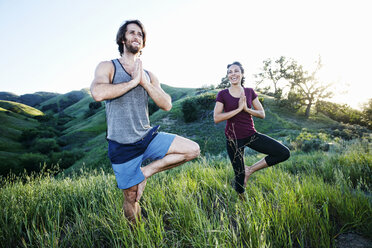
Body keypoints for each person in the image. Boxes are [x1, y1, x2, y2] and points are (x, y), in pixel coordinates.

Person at [90, 20, 200, 223]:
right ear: (122, 39)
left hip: (147, 137)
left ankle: (144, 173)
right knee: (131, 197)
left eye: (140, 34)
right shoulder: (108, 66)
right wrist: (132, 82)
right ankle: (136, 234)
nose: (136, 37)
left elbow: (166, 104)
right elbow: (97, 93)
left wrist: (144, 83)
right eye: (131, 33)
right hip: (121, 145)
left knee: (192, 149)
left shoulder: (149, 75)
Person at [213, 61, 290, 198]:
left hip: (251, 135)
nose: (233, 74)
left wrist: (247, 109)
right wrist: (238, 109)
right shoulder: (223, 94)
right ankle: (241, 204)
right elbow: (217, 118)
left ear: (242, 74)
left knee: (283, 153)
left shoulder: (249, 92)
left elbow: (262, 113)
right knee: (239, 177)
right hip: (233, 139)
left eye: (236, 71)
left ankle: (250, 170)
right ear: (228, 76)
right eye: (230, 72)